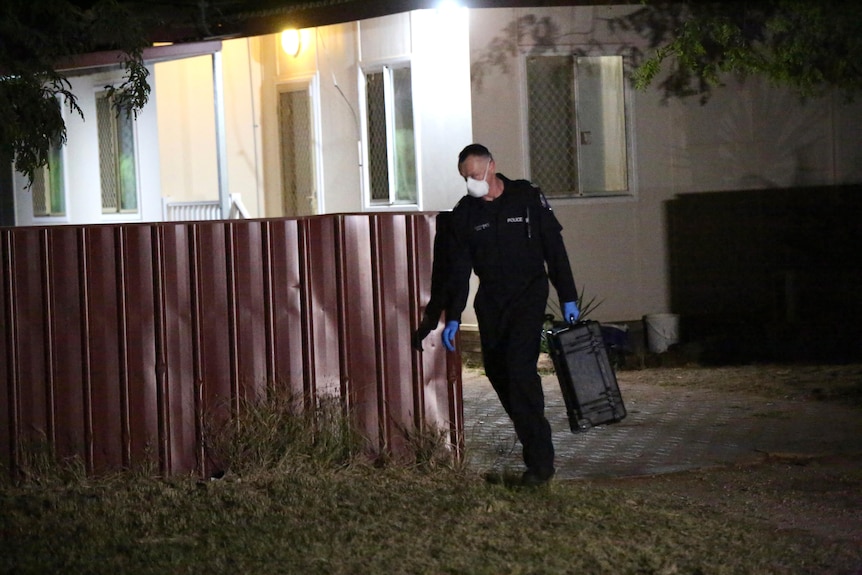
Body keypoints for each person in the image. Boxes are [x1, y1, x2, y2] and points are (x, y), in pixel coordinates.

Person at [416, 143, 580, 486]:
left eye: (474, 175)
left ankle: (540, 463)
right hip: (491, 301)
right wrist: (455, 315)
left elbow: (555, 249)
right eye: (465, 178)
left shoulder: (527, 198)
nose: (470, 183)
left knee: (520, 371)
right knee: (497, 371)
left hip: (528, 297)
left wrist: (567, 297)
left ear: (492, 166)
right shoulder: (466, 213)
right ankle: (531, 432)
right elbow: (459, 270)